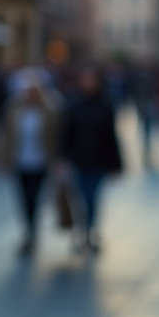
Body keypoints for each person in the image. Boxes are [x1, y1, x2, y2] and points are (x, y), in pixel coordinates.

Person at [60, 67, 122, 253]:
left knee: (92, 197)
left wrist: (116, 164)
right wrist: (62, 158)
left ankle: (90, 231)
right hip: (79, 160)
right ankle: (84, 231)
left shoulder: (106, 104)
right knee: (80, 198)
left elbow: (111, 135)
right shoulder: (74, 104)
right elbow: (67, 133)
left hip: (99, 160)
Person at [3, 77, 61, 255]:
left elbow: (56, 136)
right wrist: (5, 161)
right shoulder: (14, 111)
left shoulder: (50, 111)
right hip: (20, 162)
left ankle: (32, 232)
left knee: (34, 198)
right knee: (24, 199)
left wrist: (57, 160)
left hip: (40, 161)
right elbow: (7, 137)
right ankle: (28, 231)